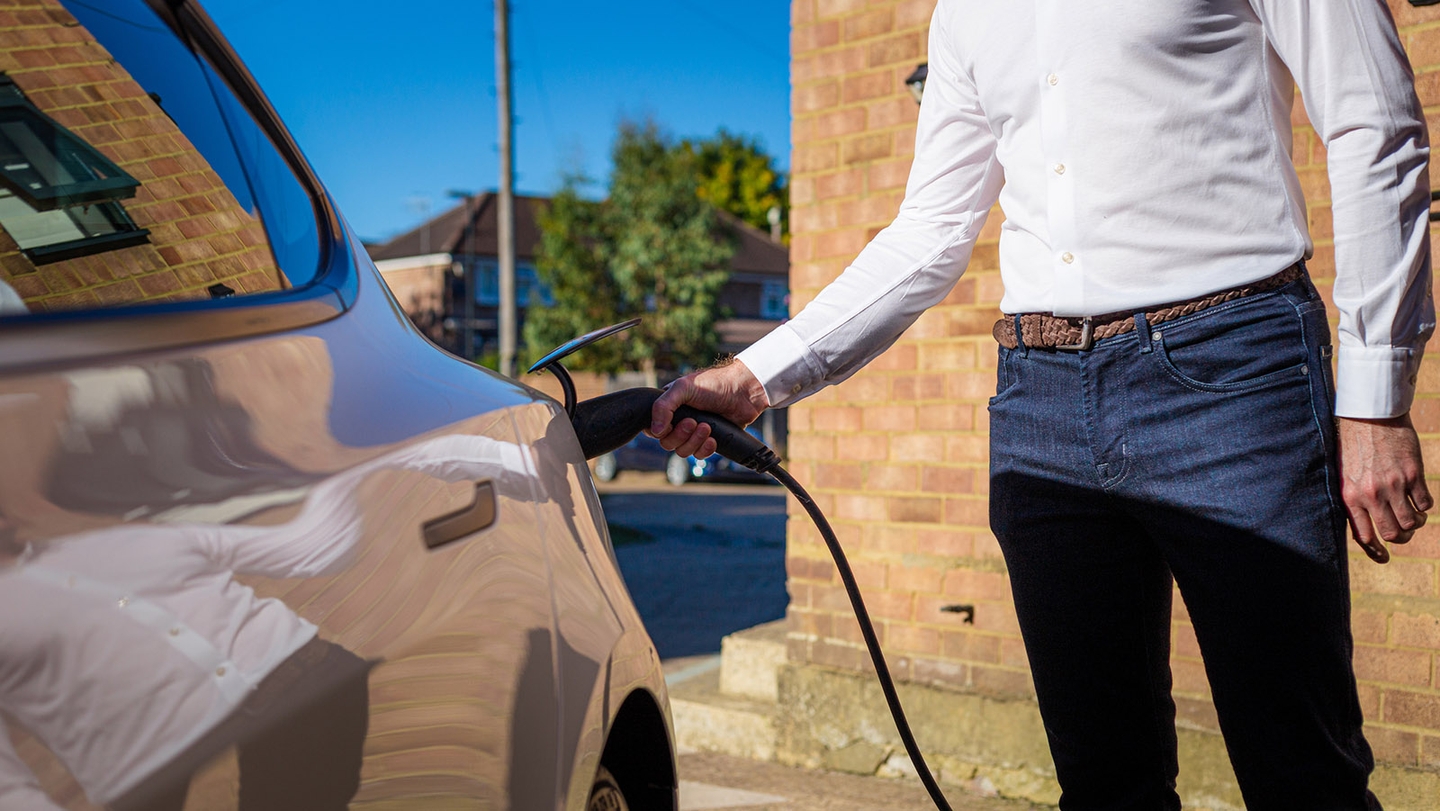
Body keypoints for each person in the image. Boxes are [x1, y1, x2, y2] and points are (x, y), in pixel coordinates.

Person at [651, 2, 1433, 808]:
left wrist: (1375, 401)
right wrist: (754, 378)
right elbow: (932, 228)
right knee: (1102, 782)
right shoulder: (963, 14)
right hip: (1042, 399)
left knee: (1302, 771)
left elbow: (1373, 121)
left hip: (1232, 373)